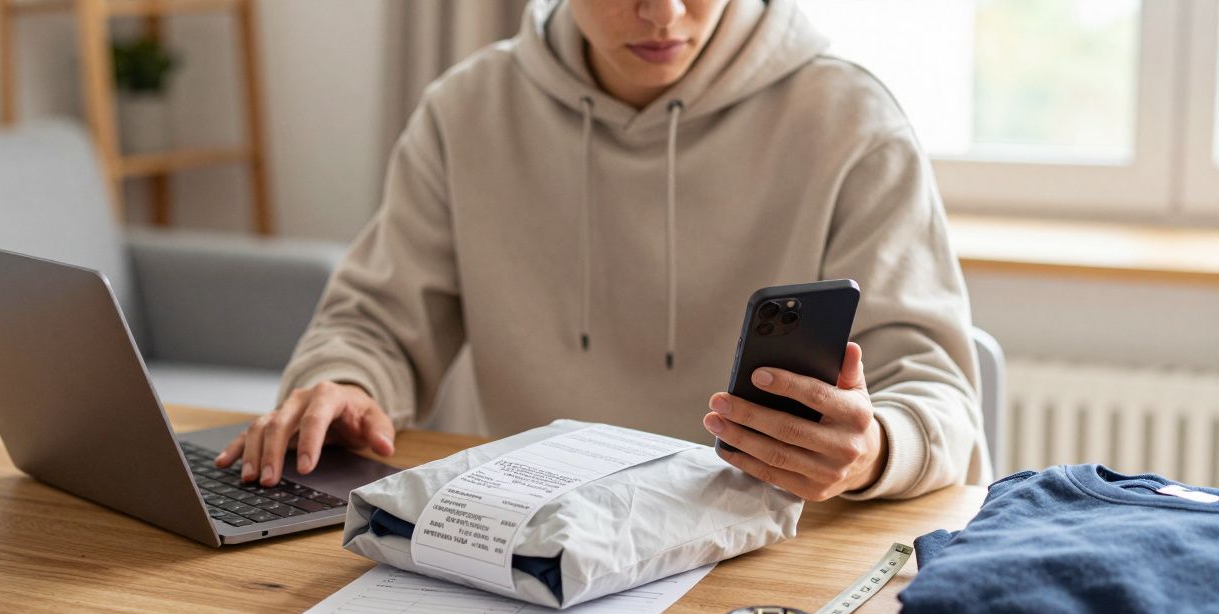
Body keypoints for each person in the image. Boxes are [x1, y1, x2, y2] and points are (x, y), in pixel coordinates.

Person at [215, 0, 991, 502]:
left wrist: (872, 448)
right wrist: (343, 381)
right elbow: (375, 323)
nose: (663, 13)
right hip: (530, 539)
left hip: (771, 555)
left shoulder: (850, 121)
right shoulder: (467, 111)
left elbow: (940, 399)